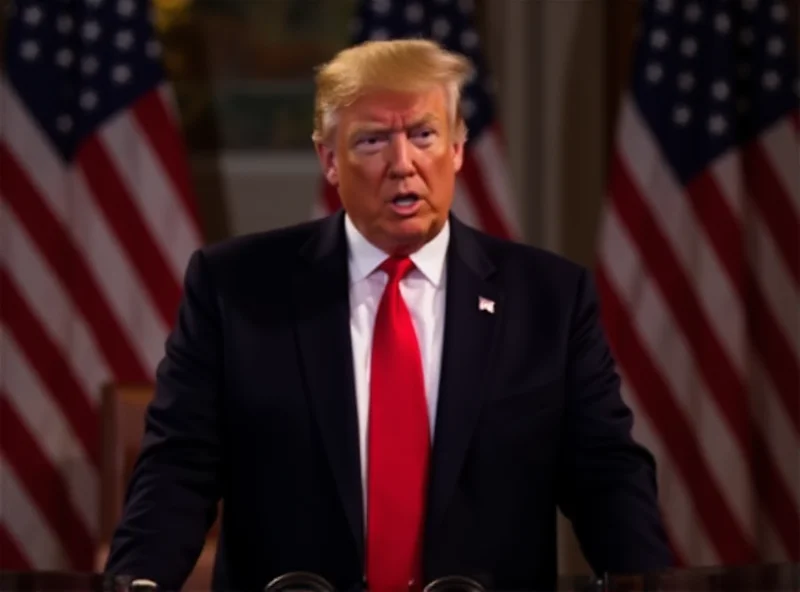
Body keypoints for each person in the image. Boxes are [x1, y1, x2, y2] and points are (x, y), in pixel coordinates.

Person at [105, 39, 673, 592]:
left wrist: (646, 581)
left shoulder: (548, 297)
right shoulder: (236, 287)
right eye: (373, 141)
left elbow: (605, 473)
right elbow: (178, 467)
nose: (403, 165)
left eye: (423, 135)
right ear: (329, 159)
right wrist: (137, 582)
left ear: (455, 148)